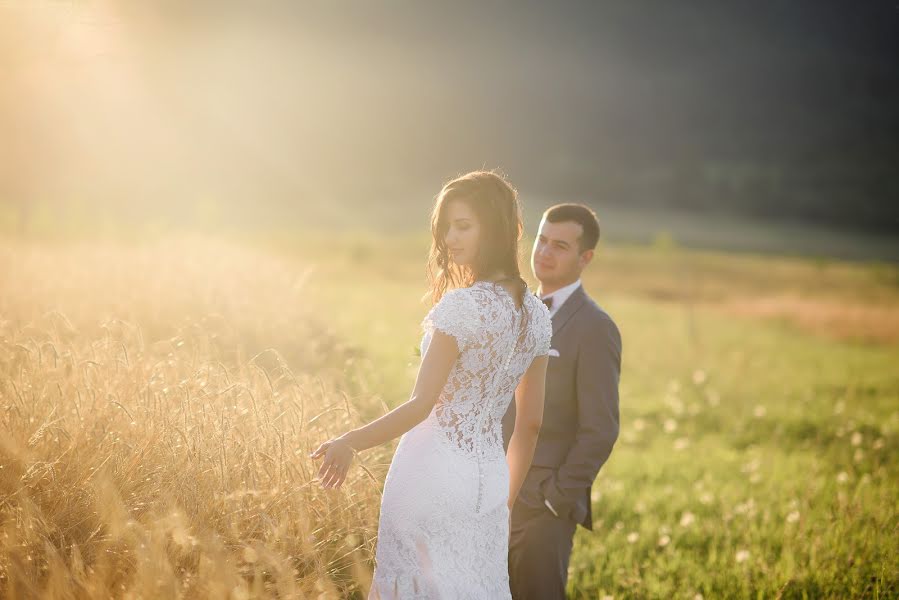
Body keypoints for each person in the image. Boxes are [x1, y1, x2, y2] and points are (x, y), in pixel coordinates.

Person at [311, 170, 553, 599]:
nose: (450, 239)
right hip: (490, 480)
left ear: (495, 228)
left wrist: (351, 440)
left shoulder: (460, 306)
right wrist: (505, 500)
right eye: (446, 227)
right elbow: (530, 424)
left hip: (431, 473)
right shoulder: (537, 316)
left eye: (464, 225)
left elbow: (422, 404)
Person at [502, 203, 622, 600]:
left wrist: (554, 499)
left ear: (585, 258)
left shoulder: (595, 328)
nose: (544, 252)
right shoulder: (513, 308)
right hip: (490, 491)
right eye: (541, 240)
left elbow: (600, 429)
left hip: (542, 507)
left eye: (560, 246)